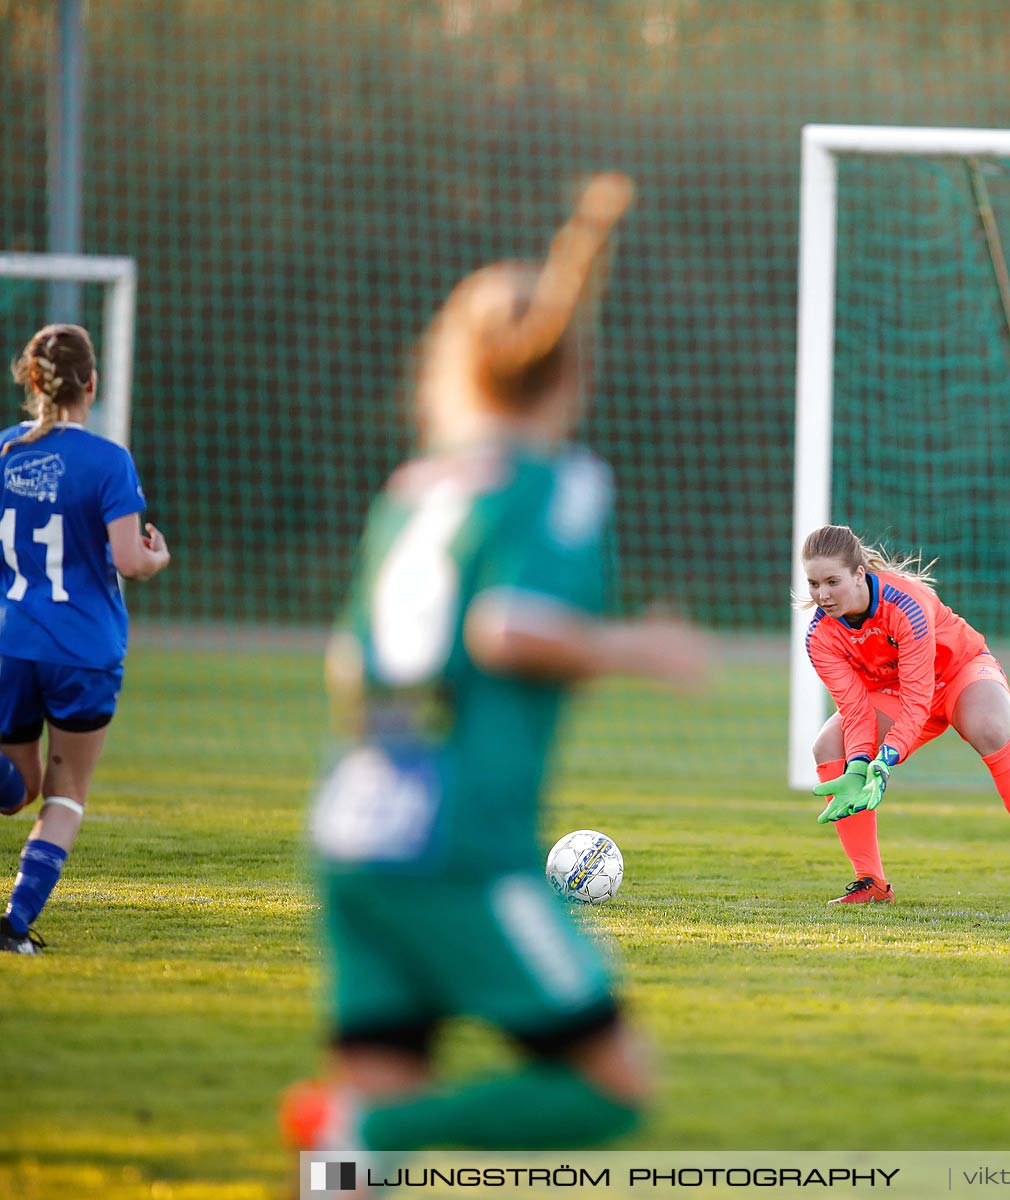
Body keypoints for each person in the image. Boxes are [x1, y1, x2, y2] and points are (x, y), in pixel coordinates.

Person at [280, 174, 708, 1155]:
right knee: (613, 1086)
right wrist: (635, 647)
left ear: (452, 368)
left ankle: (356, 1143)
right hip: (460, 841)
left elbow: (352, 656)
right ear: (575, 373)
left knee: (372, 1111)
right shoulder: (556, 483)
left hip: (356, 826)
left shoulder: (414, 489)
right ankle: (361, 1130)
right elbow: (509, 628)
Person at [802, 524, 1010, 904]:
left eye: (832, 582)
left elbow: (920, 699)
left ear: (859, 574)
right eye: (813, 584)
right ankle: (870, 883)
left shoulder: (905, 603)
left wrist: (885, 760)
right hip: (898, 692)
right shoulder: (820, 637)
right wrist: (858, 765)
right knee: (828, 746)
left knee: (988, 727)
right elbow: (855, 709)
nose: (822, 595)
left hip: (959, 673)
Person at [0, 324, 171, 955]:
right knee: (65, 792)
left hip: (10, 644)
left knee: (15, 787)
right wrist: (158, 557)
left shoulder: (3, 453)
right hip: (84, 651)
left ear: (32, 382)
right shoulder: (108, 461)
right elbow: (128, 561)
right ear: (91, 384)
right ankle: (13, 926)